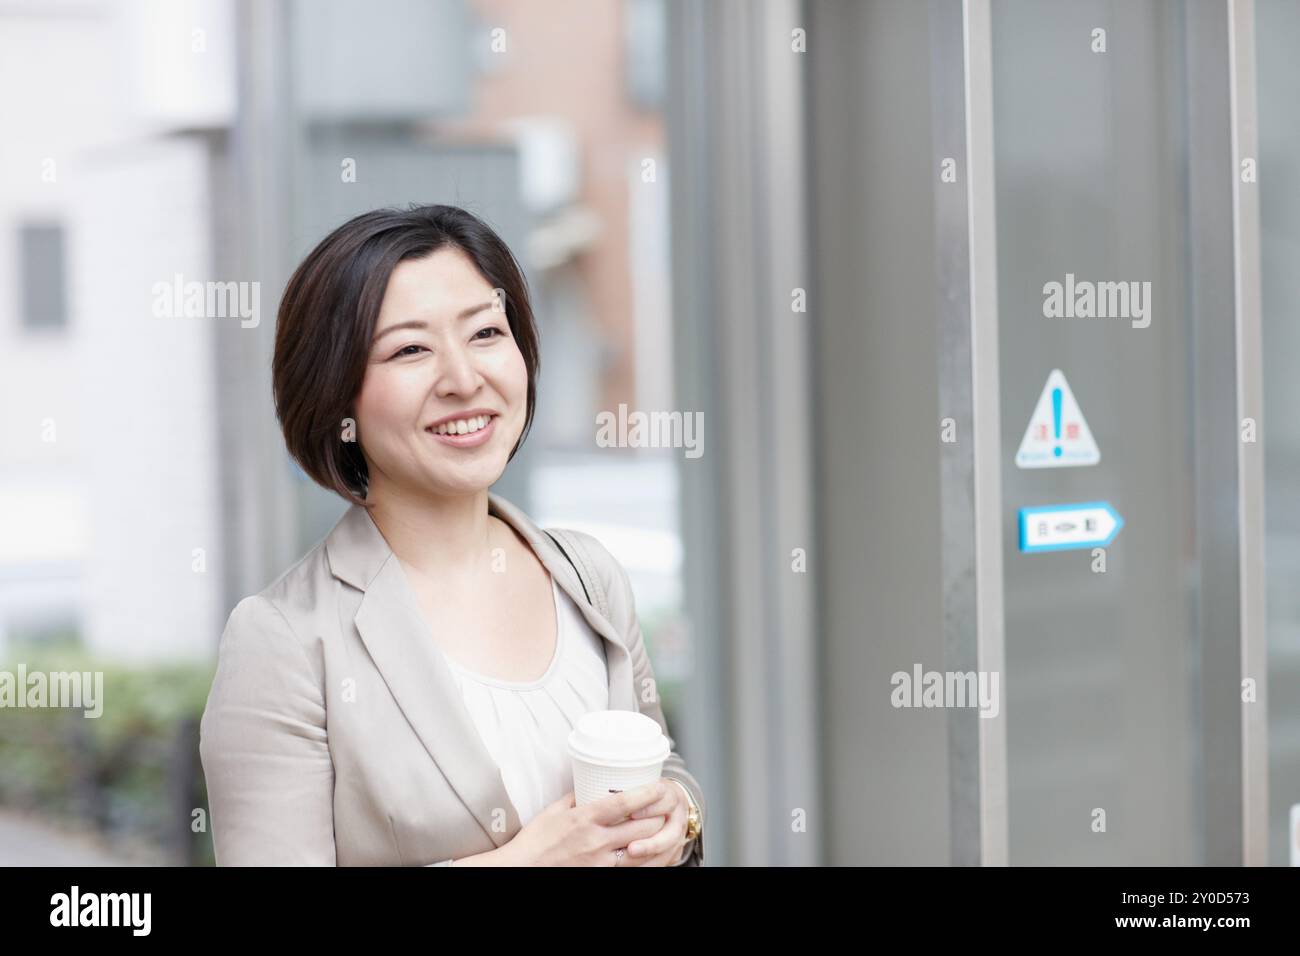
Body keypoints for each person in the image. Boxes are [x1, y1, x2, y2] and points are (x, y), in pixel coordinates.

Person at [198, 204, 705, 866]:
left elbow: (659, 766)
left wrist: (680, 811)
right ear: (335, 394)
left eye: (486, 334)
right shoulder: (284, 642)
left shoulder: (588, 577)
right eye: (410, 349)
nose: (465, 380)